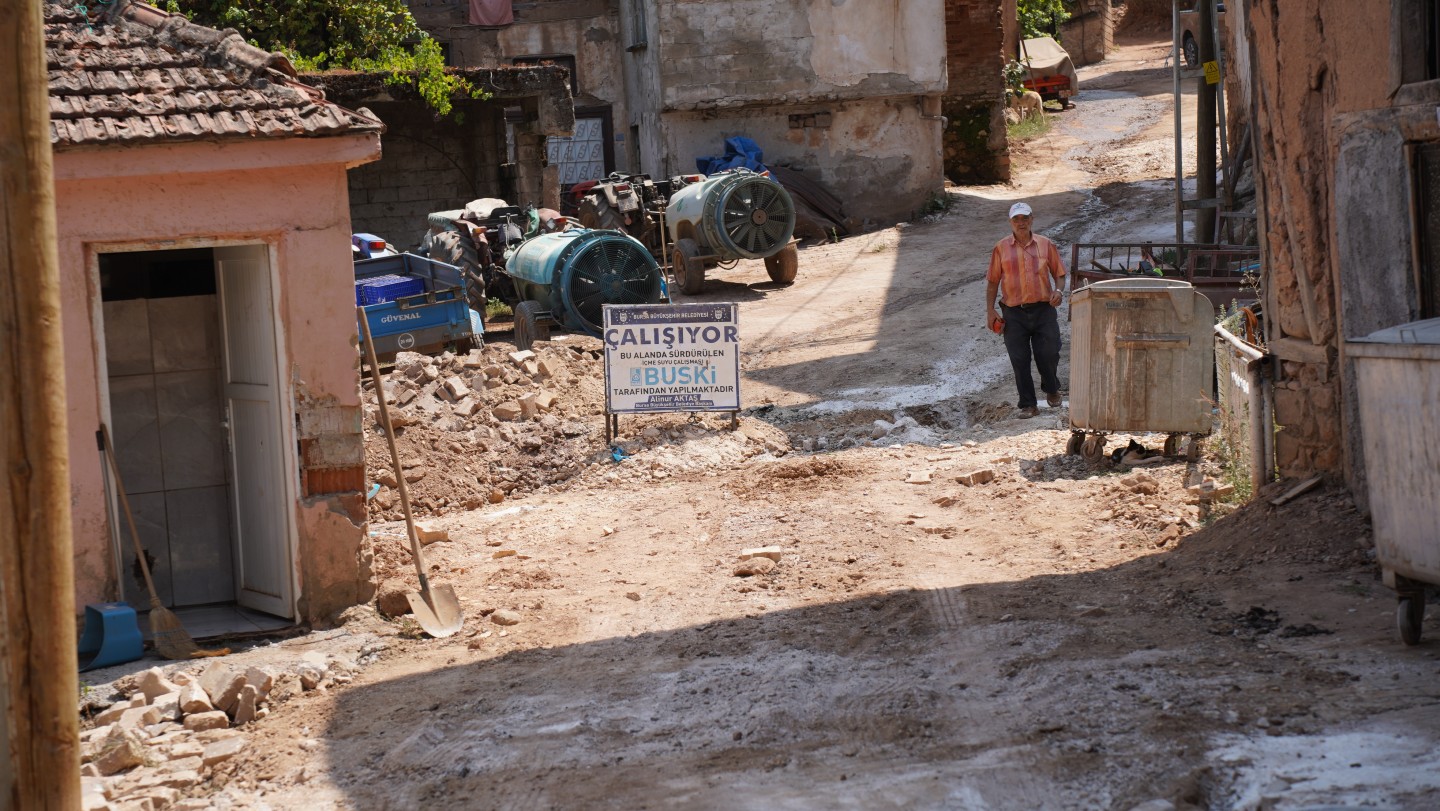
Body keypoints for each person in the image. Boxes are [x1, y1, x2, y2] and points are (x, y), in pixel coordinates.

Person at [985, 202, 1067, 419]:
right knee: (1019, 359)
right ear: (1010, 222)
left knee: (1049, 352)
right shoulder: (1001, 248)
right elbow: (993, 282)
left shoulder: (1045, 244)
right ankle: (1028, 405)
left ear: (1032, 220)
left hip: (1043, 309)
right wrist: (990, 310)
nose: (1021, 223)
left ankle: (1051, 387)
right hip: (1013, 313)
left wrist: (1058, 291)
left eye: (1025, 218)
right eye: (1016, 219)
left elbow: (1059, 273)